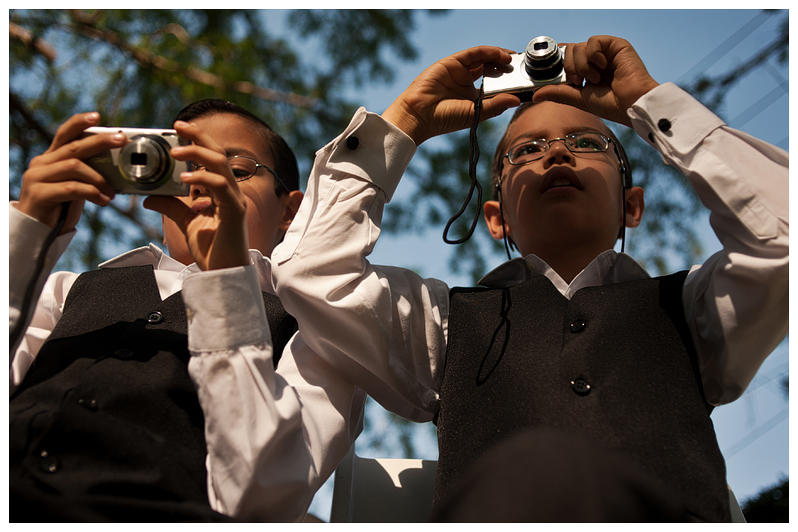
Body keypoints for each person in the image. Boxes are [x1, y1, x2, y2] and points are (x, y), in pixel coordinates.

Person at [271, 36, 789, 522]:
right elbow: (311, 274)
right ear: (497, 218)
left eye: (587, 142)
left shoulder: (692, 313)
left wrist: (649, 102)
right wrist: (407, 119)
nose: (557, 153)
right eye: (525, 151)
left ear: (632, 205)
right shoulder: (445, 328)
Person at [9, 99, 366, 522]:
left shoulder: (319, 332)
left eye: (235, 170)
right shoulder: (64, 291)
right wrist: (27, 230)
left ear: (289, 211)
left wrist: (225, 280)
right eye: (185, 167)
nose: (203, 184)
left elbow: (259, 499)